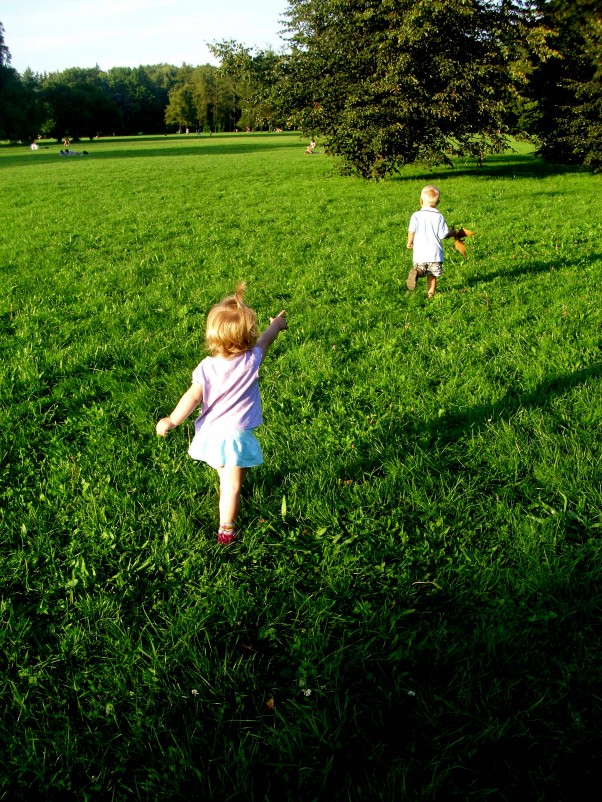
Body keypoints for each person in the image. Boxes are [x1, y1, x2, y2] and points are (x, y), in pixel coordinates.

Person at [156, 283, 288, 545]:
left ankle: (227, 474)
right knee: (232, 486)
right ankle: (226, 528)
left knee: (227, 472)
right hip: (235, 436)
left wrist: (172, 420)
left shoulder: (206, 367)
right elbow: (267, 338)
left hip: (211, 435)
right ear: (248, 336)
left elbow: (192, 397)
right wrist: (277, 324)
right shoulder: (252, 360)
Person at [406, 185, 461, 298]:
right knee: (432, 275)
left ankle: (417, 272)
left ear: (420, 201)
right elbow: (443, 235)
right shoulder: (439, 216)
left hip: (420, 252)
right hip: (434, 254)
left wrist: (410, 241)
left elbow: (411, 231)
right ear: (438, 202)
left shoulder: (416, 215)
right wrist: (452, 232)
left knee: (421, 269)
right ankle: (430, 295)